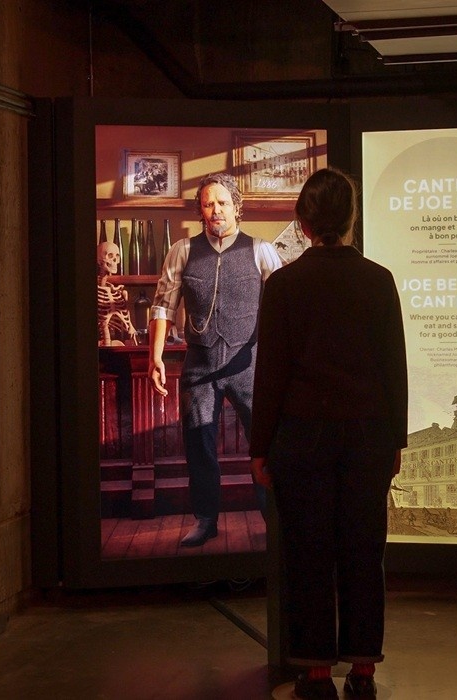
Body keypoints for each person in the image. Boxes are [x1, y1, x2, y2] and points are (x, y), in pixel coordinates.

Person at [249, 167, 408, 699]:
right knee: (365, 551)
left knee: (309, 552)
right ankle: (363, 671)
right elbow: (394, 368)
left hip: (302, 437)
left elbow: (270, 374)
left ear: (302, 221)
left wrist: (259, 447)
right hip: (367, 435)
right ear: (351, 218)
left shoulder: (286, 284)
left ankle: (316, 674)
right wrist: (397, 442)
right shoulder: (378, 280)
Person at [149, 172, 283, 547]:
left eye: (223, 203)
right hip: (200, 366)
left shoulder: (261, 250)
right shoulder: (182, 251)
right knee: (198, 444)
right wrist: (155, 357)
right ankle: (206, 520)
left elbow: (284, 310)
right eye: (208, 204)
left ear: (237, 208)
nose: (216, 210)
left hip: (250, 365)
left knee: (265, 445)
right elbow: (162, 306)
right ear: (200, 211)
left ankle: (274, 520)